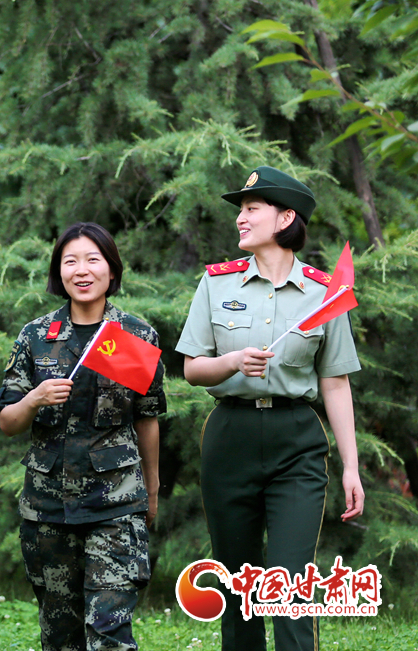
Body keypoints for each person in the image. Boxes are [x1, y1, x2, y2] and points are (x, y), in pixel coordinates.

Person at [176, 166, 364, 651]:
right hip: (230, 437)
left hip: (296, 441)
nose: (240, 218)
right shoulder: (216, 284)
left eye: (251, 208)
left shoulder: (325, 294)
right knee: (237, 586)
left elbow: (335, 382)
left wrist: (351, 467)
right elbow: (192, 369)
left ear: (285, 218)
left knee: (291, 585)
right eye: (240, 209)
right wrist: (233, 362)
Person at [0, 222, 165, 651]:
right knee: (60, 637)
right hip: (48, 508)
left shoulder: (132, 336)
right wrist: (34, 399)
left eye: (93, 259)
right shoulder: (37, 336)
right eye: (70, 261)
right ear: (59, 271)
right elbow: (8, 422)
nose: (82, 270)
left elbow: (147, 418)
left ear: (112, 269)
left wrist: (152, 490)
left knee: (109, 632)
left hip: (116, 503)